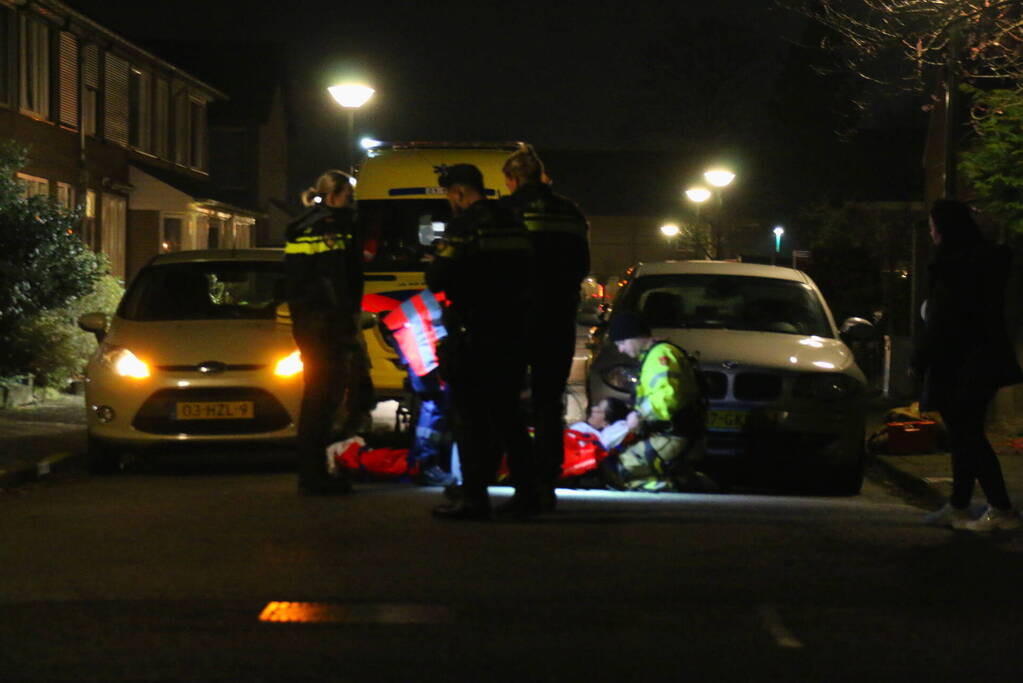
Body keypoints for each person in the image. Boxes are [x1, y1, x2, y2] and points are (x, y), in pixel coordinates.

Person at [427, 164, 536, 520]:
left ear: (459, 192)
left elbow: (437, 277)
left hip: (474, 330)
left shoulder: (464, 226)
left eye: (449, 195)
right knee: (508, 416)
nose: (451, 202)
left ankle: (474, 498)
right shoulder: (512, 221)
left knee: (469, 416)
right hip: (512, 329)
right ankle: (527, 495)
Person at [914, 199, 1023, 531]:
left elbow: (943, 321)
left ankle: (1001, 508)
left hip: (961, 361)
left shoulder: (954, 266)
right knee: (965, 432)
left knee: (968, 435)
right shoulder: (981, 262)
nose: (931, 233)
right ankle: (960, 504)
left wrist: (920, 360)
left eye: (934, 226)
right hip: (980, 359)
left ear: (944, 229)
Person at [501, 145, 590, 512]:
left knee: (507, 400)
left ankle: (521, 481)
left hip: (514, 316)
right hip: (557, 316)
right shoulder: (570, 211)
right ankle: (546, 482)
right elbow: (582, 265)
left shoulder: (505, 211)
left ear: (512, 179)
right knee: (548, 402)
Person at [284, 170, 364, 495]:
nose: (352, 203)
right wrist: (346, 323)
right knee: (323, 399)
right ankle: (314, 475)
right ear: (333, 196)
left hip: (311, 323)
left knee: (318, 397)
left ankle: (312, 472)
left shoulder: (304, 225)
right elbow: (335, 280)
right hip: (326, 326)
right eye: (348, 196)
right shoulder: (329, 228)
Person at [600, 312, 707, 492]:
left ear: (633, 337)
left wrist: (640, 415)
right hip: (668, 434)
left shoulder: (660, 356)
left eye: (621, 343)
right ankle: (679, 480)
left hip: (674, 436)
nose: (621, 350)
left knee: (623, 467)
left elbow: (667, 397)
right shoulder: (653, 356)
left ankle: (671, 488)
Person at [381, 287, 457, 486]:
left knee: (435, 397)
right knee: (436, 398)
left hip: (413, 324)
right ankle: (425, 465)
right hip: (416, 328)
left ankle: (422, 462)